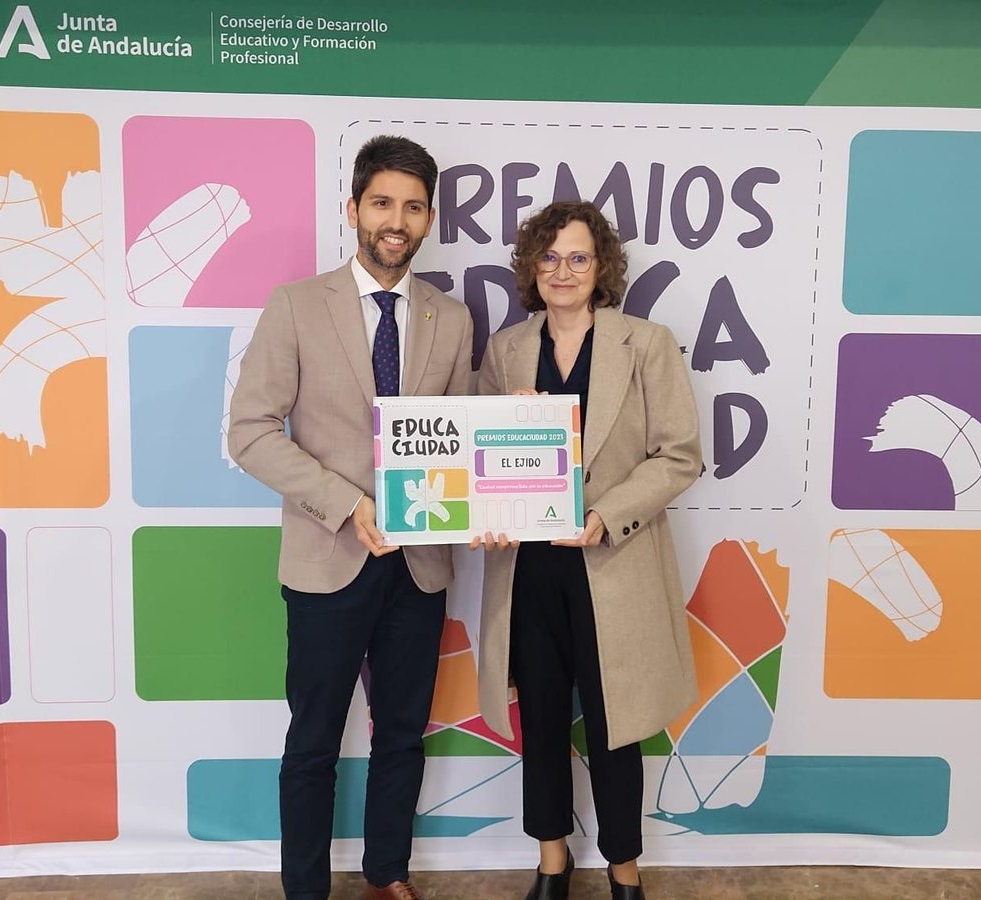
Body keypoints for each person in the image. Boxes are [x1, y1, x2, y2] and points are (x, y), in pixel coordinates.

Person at [228, 135, 475, 900]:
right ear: (354, 210)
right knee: (313, 742)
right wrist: (347, 504)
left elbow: (461, 438)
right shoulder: (298, 306)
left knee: (402, 735)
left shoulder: (452, 318)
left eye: (413, 206)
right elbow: (250, 432)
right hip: (327, 558)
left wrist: (505, 475)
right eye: (382, 203)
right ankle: (306, 890)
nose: (396, 221)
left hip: (420, 565)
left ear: (429, 218)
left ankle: (387, 874)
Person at [469, 200, 702, 900]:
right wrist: (493, 494)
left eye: (578, 257)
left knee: (616, 725)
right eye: (549, 256)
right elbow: (481, 461)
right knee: (540, 721)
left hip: (612, 564)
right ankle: (551, 862)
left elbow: (679, 456)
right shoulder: (506, 349)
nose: (562, 270)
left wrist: (605, 515)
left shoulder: (646, 343)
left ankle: (624, 871)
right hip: (530, 568)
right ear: (530, 266)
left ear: (601, 267)